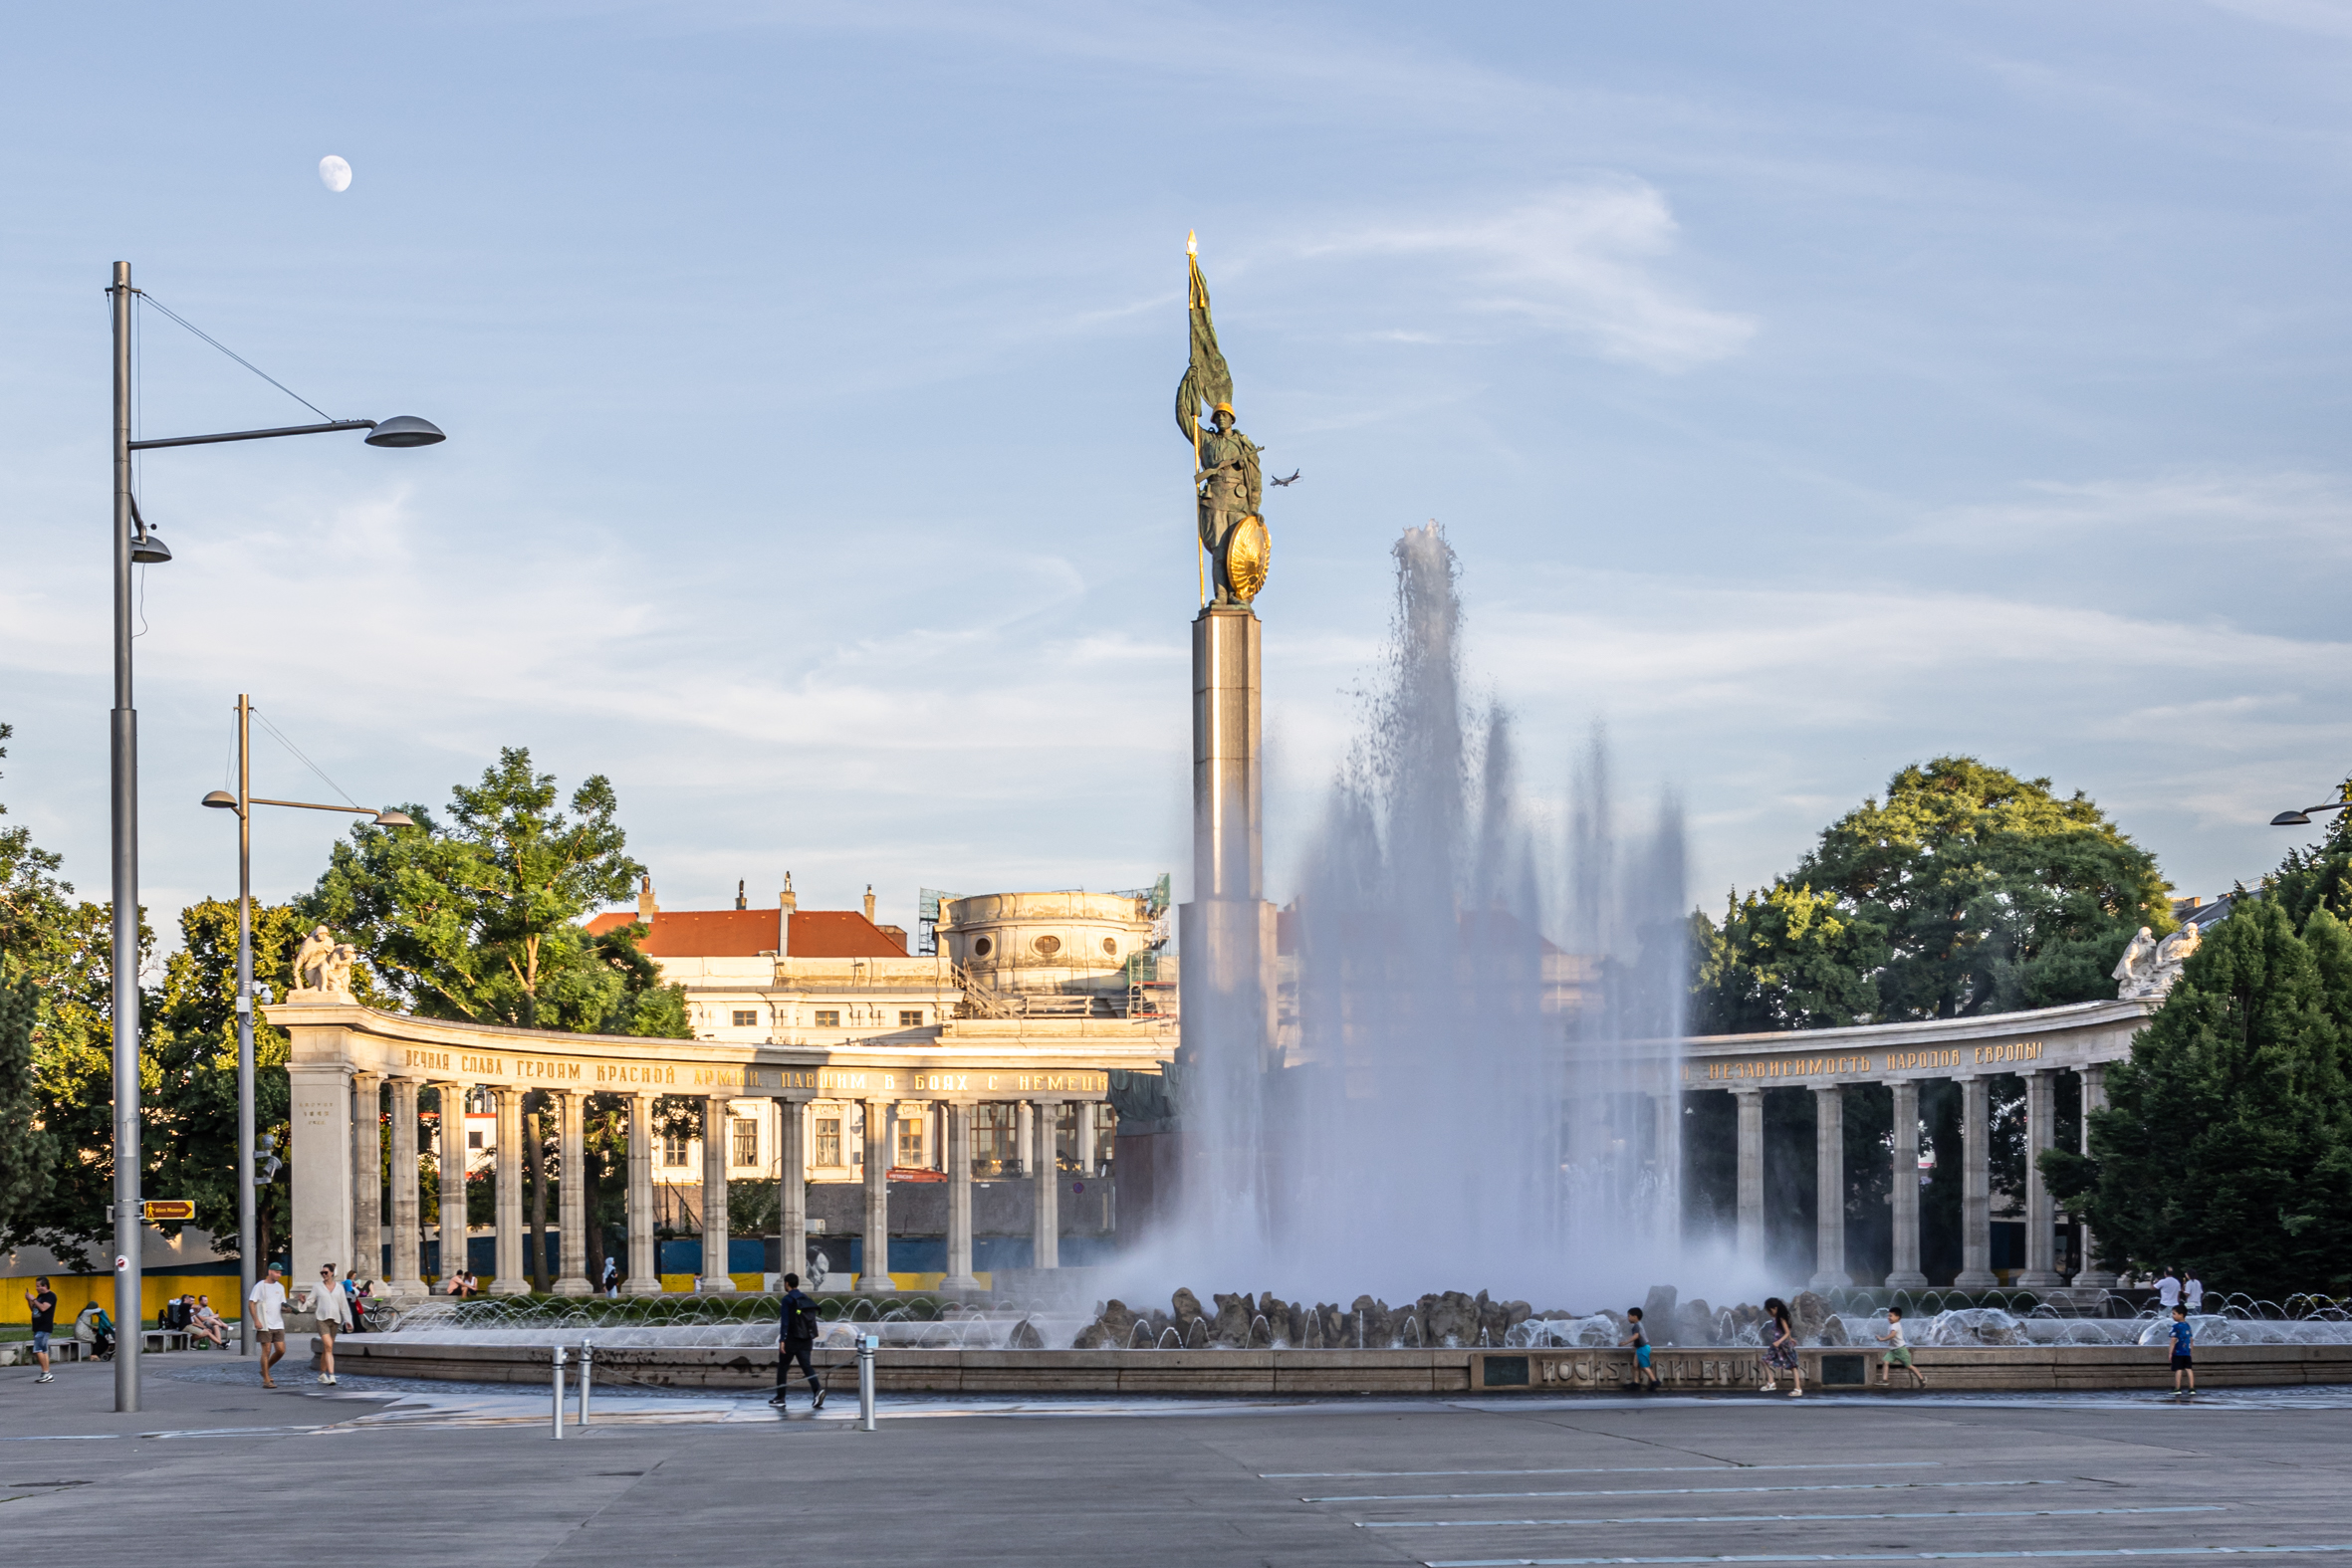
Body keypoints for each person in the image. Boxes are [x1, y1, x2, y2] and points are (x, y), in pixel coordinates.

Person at [772, 1271, 825, 1411]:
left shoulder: (787, 1300)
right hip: (806, 1339)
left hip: (791, 1339)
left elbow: (785, 1321)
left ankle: (780, 1398)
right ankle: (817, 1390)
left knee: (783, 1367)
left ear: (787, 1284)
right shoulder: (805, 1298)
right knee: (807, 1366)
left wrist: (782, 1340)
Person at [308, 1263, 353, 1386]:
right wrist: (303, 1302)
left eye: (326, 1272)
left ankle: (322, 1374)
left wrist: (348, 1321)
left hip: (335, 1321)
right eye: (322, 1273)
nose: (324, 1275)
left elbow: (344, 1306)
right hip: (321, 1319)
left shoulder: (339, 1288)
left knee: (327, 1348)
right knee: (328, 1345)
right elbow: (310, 1301)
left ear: (332, 1273)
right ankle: (332, 1375)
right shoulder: (317, 1286)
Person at [250, 1262, 290, 1388]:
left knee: (281, 1350)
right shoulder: (260, 1286)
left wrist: (287, 1309)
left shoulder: (280, 1287)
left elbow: (281, 1305)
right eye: (277, 1272)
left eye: (280, 1272)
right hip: (265, 1323)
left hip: (278, 1323)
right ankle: (266, 1379)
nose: (279, 1275)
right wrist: (256, 1320)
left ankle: (265, 1369)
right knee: (266, 1350)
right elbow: (251, 1303)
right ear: (270, 1272)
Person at [1760, 1297, 1803, 1397]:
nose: (1769, 1313)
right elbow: (1787, 1332)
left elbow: (1787, 1332)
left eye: (1769, 1310)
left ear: (1774, 1308)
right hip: (1778, 1345)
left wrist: (1780, 1341)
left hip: (1783, 1345)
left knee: (1793, 1366)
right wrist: (1791, 1338)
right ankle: (1771, 1382)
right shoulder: (1778, 1318)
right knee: (1764, 1360)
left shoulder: (1781, 1318)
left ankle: (1798, 1389)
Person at [1877, 1307, 1928, 1389]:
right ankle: (1885, 1379)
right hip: (1893, 1350)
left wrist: (1882, 1339)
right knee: (1885, 1361)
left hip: (1901, 1350)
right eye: (1888, 1316)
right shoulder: (1893, 1325)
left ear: (1897, 1317)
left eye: (1891, 1316)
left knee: (1909, 1366)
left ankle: (1922, 1379)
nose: (1888, 1317)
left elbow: (1892, 1335)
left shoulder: (1895, 1326)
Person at [24, 1276, 56, 1384]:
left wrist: (33, 1299)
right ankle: (47, 1374)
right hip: (38, 1327)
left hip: (44, 1327)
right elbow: (34, 1309)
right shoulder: (41, 1296)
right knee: (43, 1350)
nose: (36, 1288)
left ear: (45, 1286)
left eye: (38, 1286)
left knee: (38, 1350)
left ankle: (46, 1372)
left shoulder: (50, 1296)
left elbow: (43, 1308)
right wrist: (29, 1300)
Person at [1621, 1306, 1661, 1392]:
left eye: (1629, 1316)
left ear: (1635, 1316)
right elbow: (1640, 1337)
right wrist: (1634, 1345)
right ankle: (1636, 1383)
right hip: (1640, 1348)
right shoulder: (1638, 1325)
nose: (1628, 1318)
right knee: (1635, 1366)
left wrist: (1626, 1342)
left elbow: (1637, 1336)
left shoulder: (1636, 1326)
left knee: (1644, 1367)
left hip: (1643, 1348)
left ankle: (1654, 1381)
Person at [2169, 1304, 2195, 1395]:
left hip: (2178, 1352)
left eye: (2174, 1314)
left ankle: (2177, 1388)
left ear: (2181, 1314)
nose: (2172, 1316)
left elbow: (2173, 1340)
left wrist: (2170, 1353)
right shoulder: (2187, 1325)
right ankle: (2191, 1388)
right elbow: (2191, 1339)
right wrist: (2191, 1350)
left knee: (2178, 1369)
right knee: (2189, 1369)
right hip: (2187, 1352)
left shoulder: (2175, 1327)